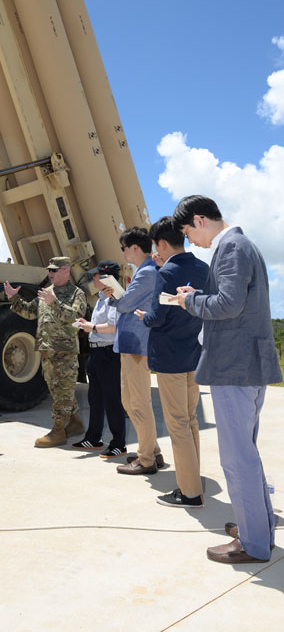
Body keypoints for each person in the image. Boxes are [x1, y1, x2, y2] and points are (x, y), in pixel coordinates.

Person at [173, 195, 281, 563]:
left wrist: (189, 302)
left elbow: (228, 305)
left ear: (200, 220)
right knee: (246, 454)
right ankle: (258, 528)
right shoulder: (242, 246)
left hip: (234, 367)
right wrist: (199, 295)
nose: (191, 242)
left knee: (237, 459)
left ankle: (252, 543)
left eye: (188, 233)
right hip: (246, 365)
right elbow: (233, 301)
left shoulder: (232, 247)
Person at [135, 217, 209, 507]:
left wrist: (144, 316)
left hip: (169, 357)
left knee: (178, 424)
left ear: (162, 244)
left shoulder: (165, 272)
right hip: (194, 352)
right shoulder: (203, 268)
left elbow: (156, 317)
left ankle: (189, 493)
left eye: (157, 247)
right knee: (189, 421)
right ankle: (193, 480)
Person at [4, 256, 87, 448]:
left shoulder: (77, 294)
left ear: (66, 270)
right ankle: (75, 423)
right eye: (49, 270)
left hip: (64, 352)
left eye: (54, 270)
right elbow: (29, 312)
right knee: (57, 390)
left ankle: (58, 431)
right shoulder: (46, 293)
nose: (50, 274)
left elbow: (76, 318)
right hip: (46, 350)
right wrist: (13, 298)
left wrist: (55, 303)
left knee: (63, 390)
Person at [104, 227, 163, 476]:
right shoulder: (145, 271)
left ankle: (146, 458)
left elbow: (126, 304)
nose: (124, 253)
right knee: (134, 400)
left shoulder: (146, 272)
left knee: (136, 402)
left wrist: (114, 297)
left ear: (135, 248)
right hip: (133, 343)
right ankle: (153, 450)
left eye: (124, 248)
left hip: (136, 344)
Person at [73, 260, 127, 458]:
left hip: (108, 352)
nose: (93, 279)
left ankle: (119, 443)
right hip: (97, 352)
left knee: (112, 399)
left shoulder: (115, 296)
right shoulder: (102, 298)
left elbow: (113, 327)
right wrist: (87, 324)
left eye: (96, 276)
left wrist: (92, 328)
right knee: (95, 398)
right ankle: (94, 438)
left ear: (106, 277)